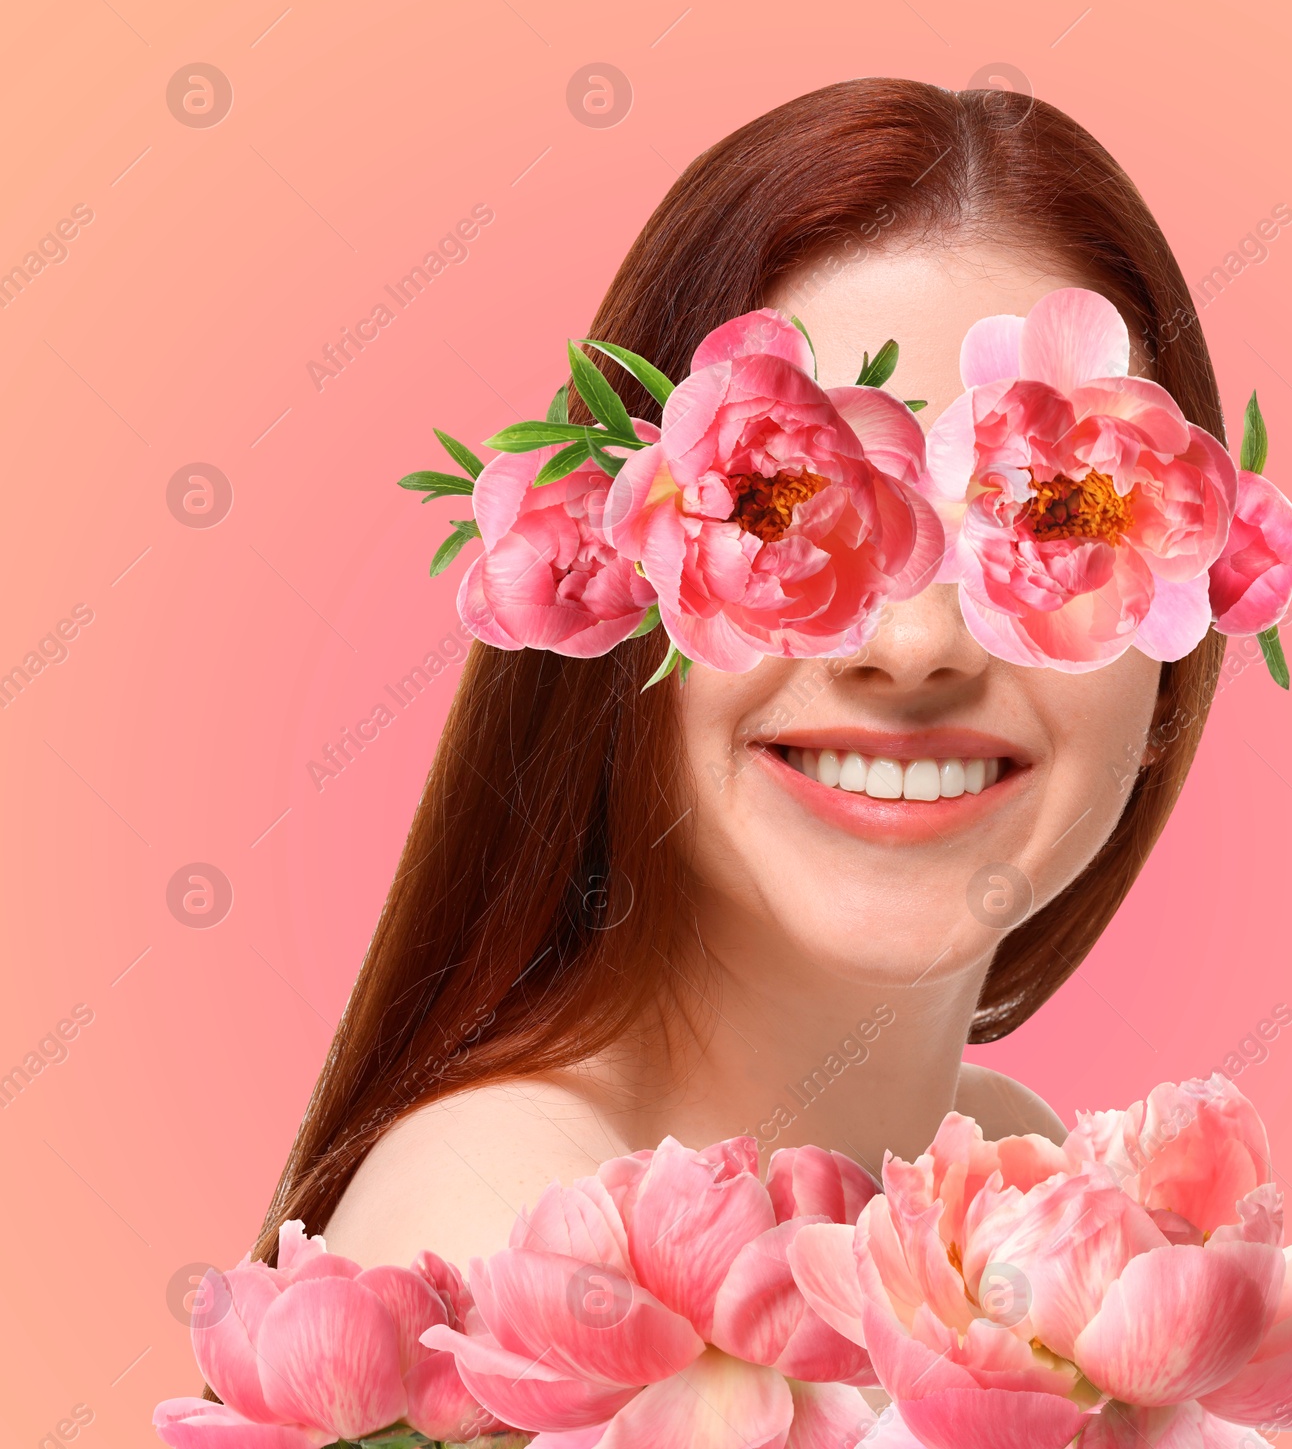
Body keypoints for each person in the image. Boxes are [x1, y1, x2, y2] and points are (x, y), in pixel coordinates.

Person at [259, 78, 1227, 1272]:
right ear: (613, 594)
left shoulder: (1016, 1179)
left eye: (1047, 516)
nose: (915, 644)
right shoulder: (519, 1236)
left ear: (1177, 641)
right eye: (783, 515)